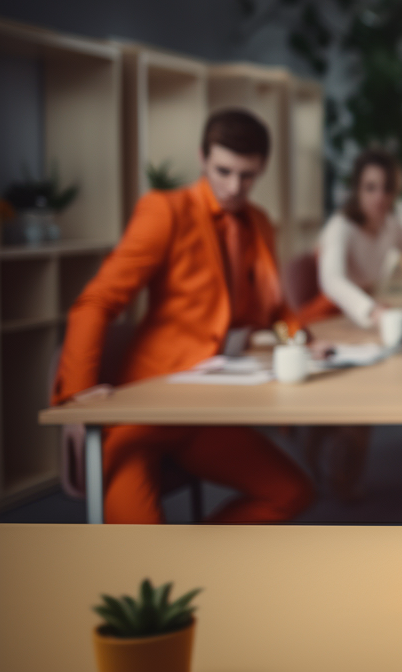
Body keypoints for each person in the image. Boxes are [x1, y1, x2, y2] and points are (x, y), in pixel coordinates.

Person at [51, 109, 315, 523]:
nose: (233, 186)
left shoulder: (259, 223)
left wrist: (302, 341)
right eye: (223, 171)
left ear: (261, 169)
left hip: (203, 412)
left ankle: (196, 566)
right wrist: (77, 396)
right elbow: (96, 301)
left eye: (246, 176)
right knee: (144, 558)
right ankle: (177, 568)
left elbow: (275, 307)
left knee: (291, 492)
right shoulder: (166, 211)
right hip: (144, 410)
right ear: (202, 157)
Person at [300, 148, 402, 328]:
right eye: (370, 188)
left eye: (387, 188)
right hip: (326, 317)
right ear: (357, 189)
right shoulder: (340, 226)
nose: (379, 197)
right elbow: (332, 281)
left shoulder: (391, 225)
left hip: (365, 319)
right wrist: (373, 311)